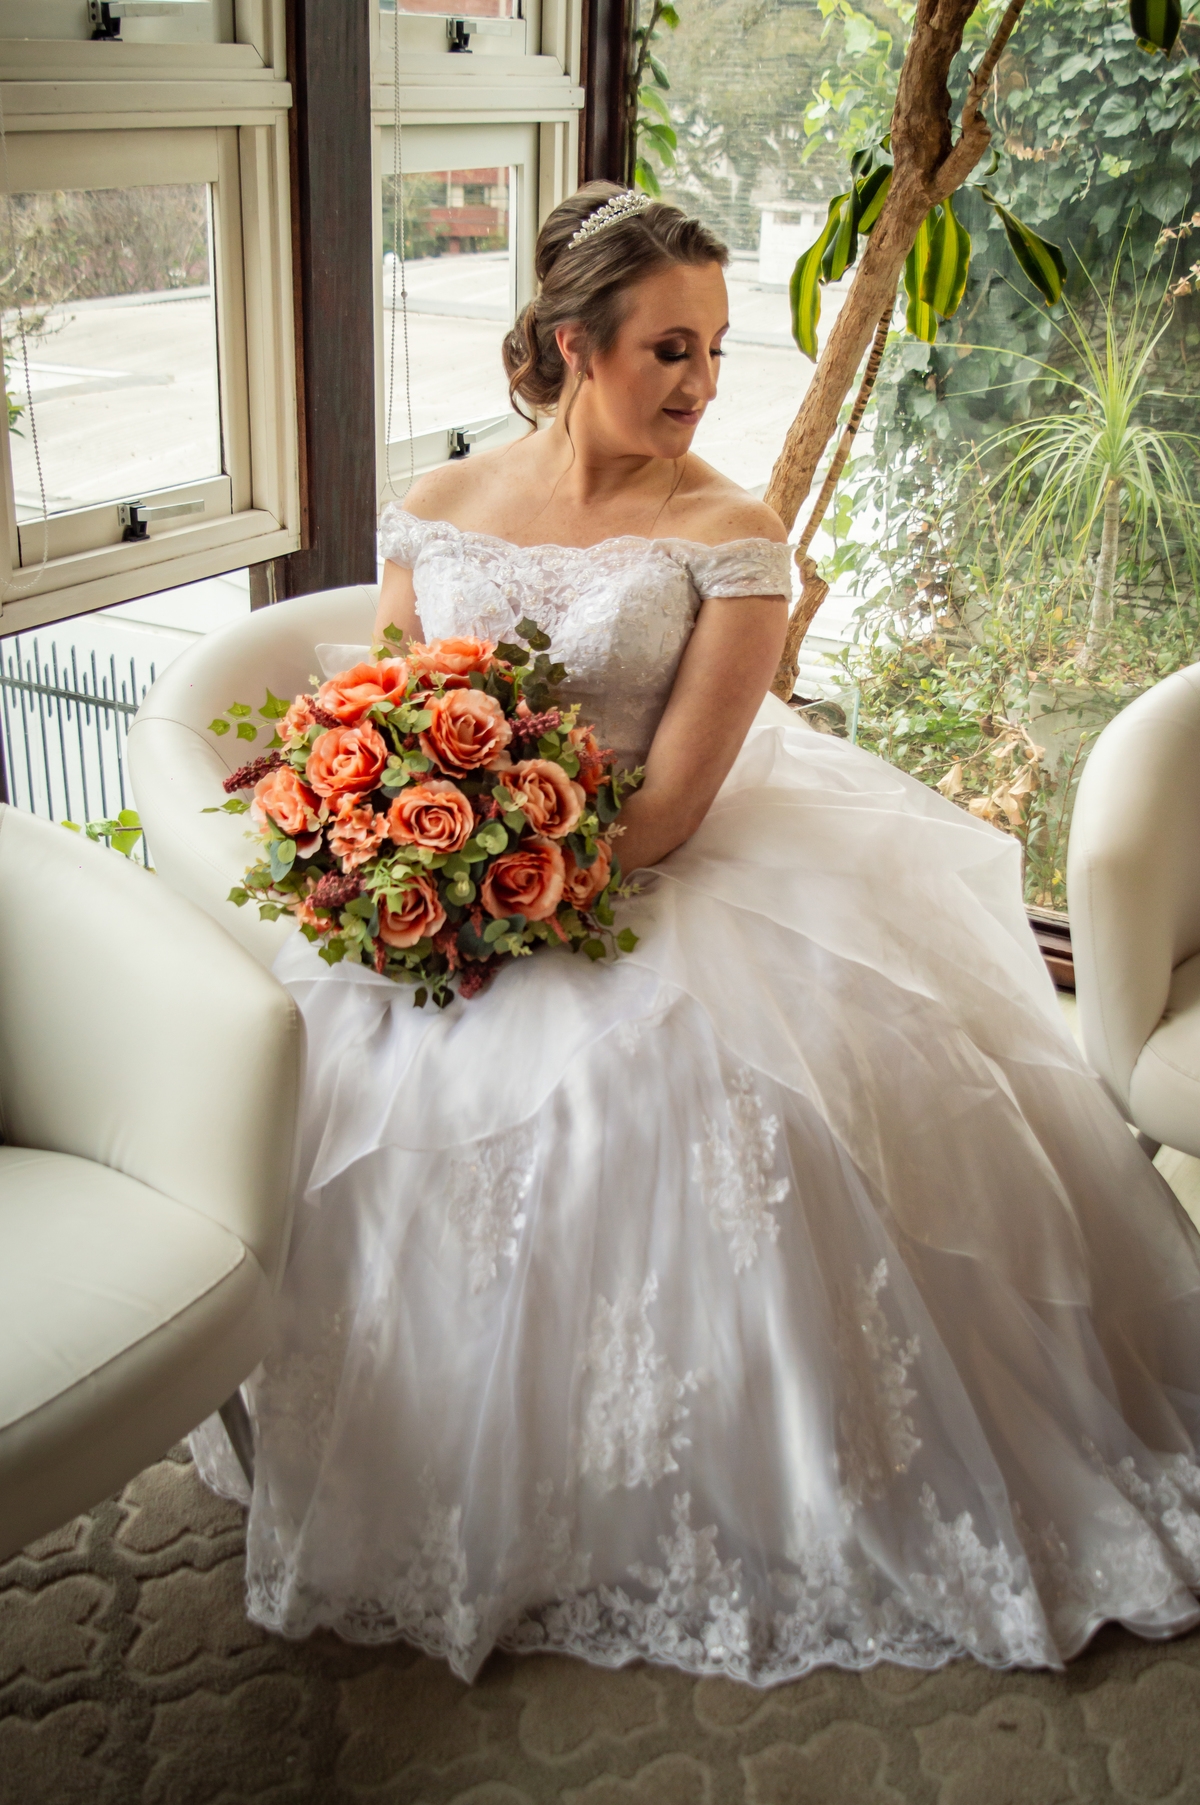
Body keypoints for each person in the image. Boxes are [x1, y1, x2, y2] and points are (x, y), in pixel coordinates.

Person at [196, 182, 1200, 1686]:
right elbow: (393, 707)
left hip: (659, 865)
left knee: (686, 1116)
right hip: (463, 868)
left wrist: (499, 871)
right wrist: (394, 839)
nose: (705, 383)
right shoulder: (438, 502)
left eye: (718, 348)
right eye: (670, 347)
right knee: (326, 1095)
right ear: (567, 344)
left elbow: (664, 810)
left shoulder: (733, 537)